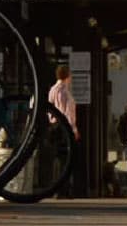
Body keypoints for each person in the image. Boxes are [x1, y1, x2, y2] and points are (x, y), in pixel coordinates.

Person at [46, 64, 79, 198]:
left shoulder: (52, 90)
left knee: (57, 158)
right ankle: (63, 189)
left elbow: (50, 109)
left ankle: (57, 188)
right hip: (64, 127)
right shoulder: (64, 91)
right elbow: (67, 113)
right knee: (66, 158)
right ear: (67, 76)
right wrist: (74, 129)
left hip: (54, 126)